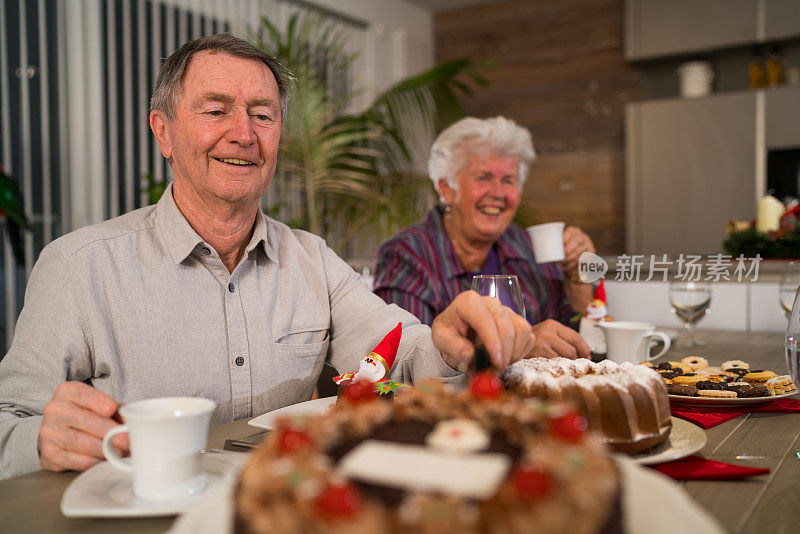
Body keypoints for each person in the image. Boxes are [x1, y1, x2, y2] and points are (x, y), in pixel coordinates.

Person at [0, 35, 535, 479]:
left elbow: (400, 351)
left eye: (263, 115)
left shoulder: (313, 260)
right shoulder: (77, 267)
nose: (243, 134)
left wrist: (447, 341)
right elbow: (8, 423)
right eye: (216, 111)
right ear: (163, 131)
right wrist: (42, 440)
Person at [373, 116, 594, 359]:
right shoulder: (405, 255)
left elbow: (574, 336)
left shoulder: (525, 245)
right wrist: (524, 344)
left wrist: (578, 276)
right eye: (484, 178)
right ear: (447, 188)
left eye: (508, 180)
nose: (498, 193)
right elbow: (404, 355)